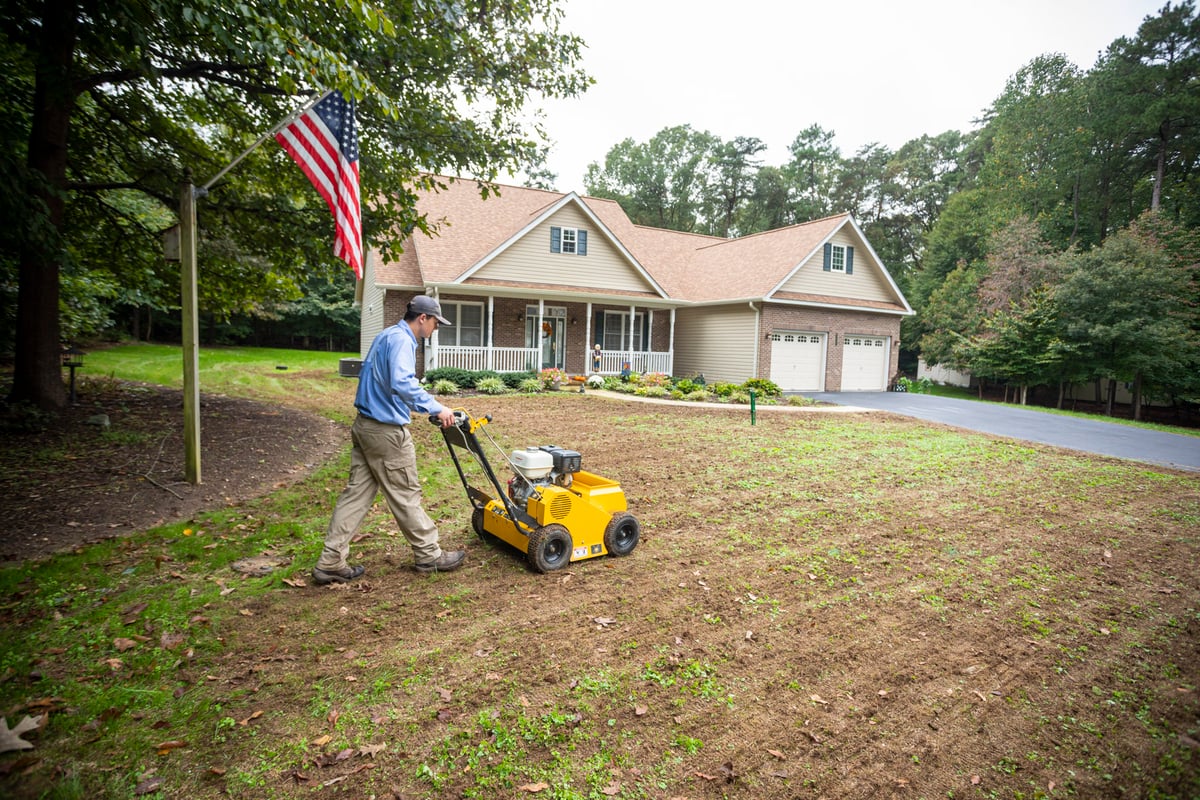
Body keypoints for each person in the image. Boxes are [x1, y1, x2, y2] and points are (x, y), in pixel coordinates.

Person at [312, 295, 465, 584]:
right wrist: (437, 407)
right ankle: (429, 554)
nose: (434, 330)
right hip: (385, 433)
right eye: (434, 323)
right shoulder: (403, 341)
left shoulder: (386, 335)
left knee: (355, 495)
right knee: (405, 493)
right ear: (422, 318)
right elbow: (402, 382)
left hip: (365, 426)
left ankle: (330, 561)